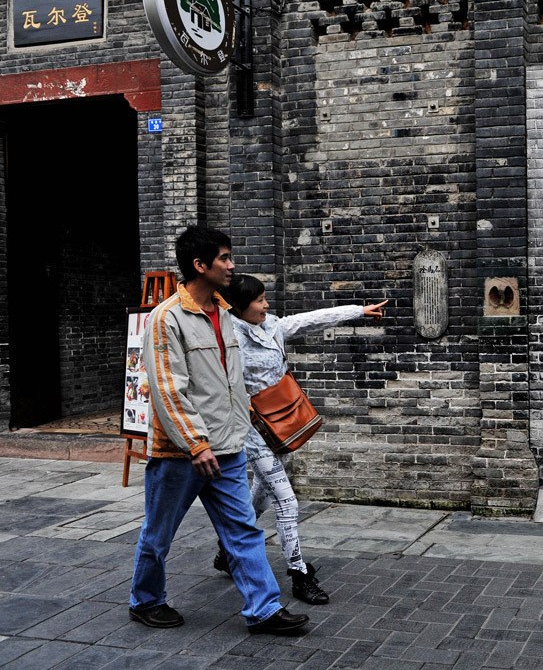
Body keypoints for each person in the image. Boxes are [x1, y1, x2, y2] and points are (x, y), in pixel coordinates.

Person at [128, 226, 308, 636]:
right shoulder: (167, 318)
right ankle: (145, 600)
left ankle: (264, 609)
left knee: (243, 530)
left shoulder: (226, 314)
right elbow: (167, 387)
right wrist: (195, 444)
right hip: (181, 453)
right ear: (200, 265)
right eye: (224, 258)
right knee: (158, 535)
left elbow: (233, 380)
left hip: (227, 447)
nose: (231, 265)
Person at [212, 273, 387, 604]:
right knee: (287, 502)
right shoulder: (227, 335)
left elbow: (310, 321)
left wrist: (358, 311)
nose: (266, 305)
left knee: (263, 490)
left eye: (265, 299)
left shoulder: (273, 326)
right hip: (255, 431)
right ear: (239, 305)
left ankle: (227, 545)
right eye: (259, 300)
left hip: (284, 423)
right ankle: (298, 573)